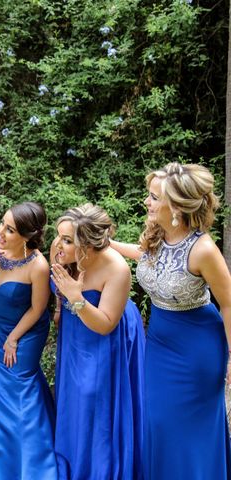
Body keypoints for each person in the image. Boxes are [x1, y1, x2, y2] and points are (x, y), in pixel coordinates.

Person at [110, 162, 231, 479]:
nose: (146, 202)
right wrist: (107, 245)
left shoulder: (203, 250)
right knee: (159, 423)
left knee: (190, 430)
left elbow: (229, 304)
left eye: (153, 197)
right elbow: (144, 255)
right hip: (161, 343)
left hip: (198, 349)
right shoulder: (159, 233)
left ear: (175, 206)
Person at [0, 202, 57, 480]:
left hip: (26, 332)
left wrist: (14, 338)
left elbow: (38, 309)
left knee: (18, 384)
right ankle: (0, 465)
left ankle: (35, 464)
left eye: (10, 229)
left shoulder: (37, 265)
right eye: (2, 223)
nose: (1, 232)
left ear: (27, 236)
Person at [50, 203, 144, 480]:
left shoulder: (117, 268)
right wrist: (60, 305)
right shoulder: (64, 253)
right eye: (59, 235)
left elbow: (105, 324)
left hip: (106, 334)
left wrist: (75, 297)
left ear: (88, 245)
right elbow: (57, 287)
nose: (58, 243)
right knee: (74, 398)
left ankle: (101, 470)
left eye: (67, 239)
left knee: (95, 397)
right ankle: (73, 463)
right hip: (75, 331)